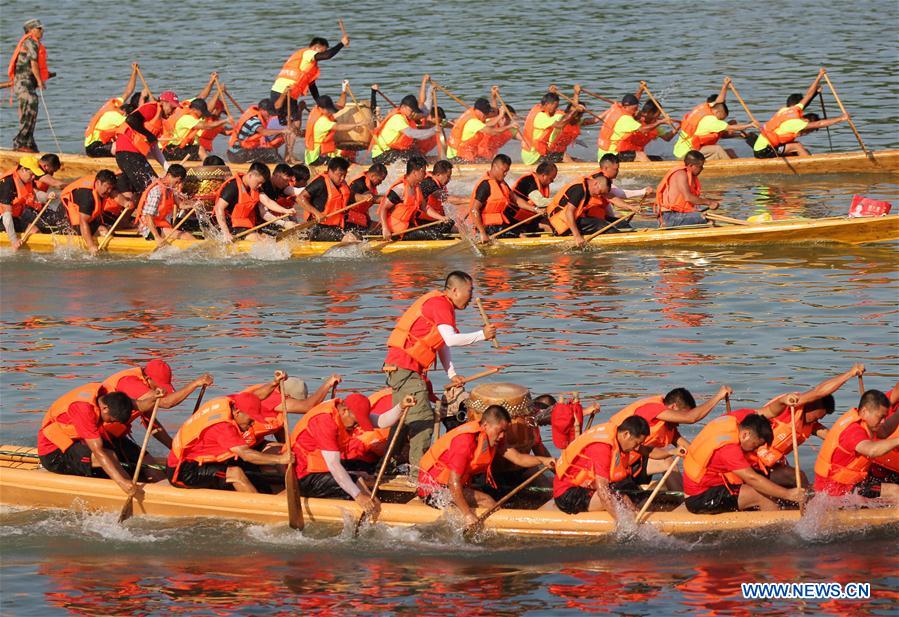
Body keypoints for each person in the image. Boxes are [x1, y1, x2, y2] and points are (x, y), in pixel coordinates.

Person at [383, 271, 498, 476]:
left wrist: (451, 373)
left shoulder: (443, 305)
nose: (471, 296)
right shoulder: (441, 304)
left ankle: (385, 467)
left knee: (404, 418)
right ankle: (420, 476)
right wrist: (482, 335)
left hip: (401, 368)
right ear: (454, 290)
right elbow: (451, 339)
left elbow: (441, 342)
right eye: (469, 291)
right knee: (424, 418)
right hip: (405, 368)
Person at [418, 405, 553, 526]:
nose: (502, 436)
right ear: (485, 425)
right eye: (500, 431)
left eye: (505, 431)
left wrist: (543, 460)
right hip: (433, 490)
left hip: (453, 485)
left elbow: (518, 458)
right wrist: (467, 514)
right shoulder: (464, 442)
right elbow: (453, 482)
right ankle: (500, 530)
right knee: (487, 500)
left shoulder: (492, 438)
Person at [291, 392, 412, 514]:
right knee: (354, 484)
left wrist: (401, 406)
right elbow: (333, 465)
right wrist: (358, 495)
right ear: (345, 411)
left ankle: (360, 484)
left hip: (324, 466)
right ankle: (368, 506)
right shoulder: (325, 421)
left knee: (366, 469)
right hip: (305, 475)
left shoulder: (347, 410)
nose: (356, 426)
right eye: (355, 422)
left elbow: (381, 421)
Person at [751, 364, 866, 487]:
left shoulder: (810, 425)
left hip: (771, 462)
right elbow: (818, 391)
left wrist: (860, 446)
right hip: (753, 461)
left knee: (800, 483)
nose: (819, 419)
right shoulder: (790, 406)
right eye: (817, 417)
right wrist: (849, 374)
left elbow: (833, 438)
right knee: (799, 477)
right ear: (811, 403)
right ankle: (809, 503)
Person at [609, 386, 732, 491]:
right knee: (666, 460)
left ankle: (686, 494)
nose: (680, 420)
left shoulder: (668, 427)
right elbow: (691, 418)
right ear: (673, 407)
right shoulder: (652, 409)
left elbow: (691, 450)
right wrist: (718, 397)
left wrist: (719, 467)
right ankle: (684, 503)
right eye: (681, 414)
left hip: (631, 466)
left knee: (671, 459)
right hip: (612, 465)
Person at [167, 390, 292, 492]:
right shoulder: (223, 428)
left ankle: (272, 490)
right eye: (251, 420)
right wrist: (280, 459)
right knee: (236, 473)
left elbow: (255, 395)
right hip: (182, 471)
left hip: (200, 459)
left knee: (251, 470)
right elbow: (247, 455)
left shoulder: (228, 402)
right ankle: (260, 511)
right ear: (237, 412)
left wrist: (274, 383)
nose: (253, 424)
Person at [683, 412, 804, 514]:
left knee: (791, 475)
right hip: (700, 496)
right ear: (746, 434)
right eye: (755, 445)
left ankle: (808, 506)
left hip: (722, 479)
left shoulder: (735, 420)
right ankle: (780, 536)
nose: (755, 449)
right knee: (762, 495)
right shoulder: (729, 449)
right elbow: (753, 479)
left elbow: (770, 409)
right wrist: (788, 494)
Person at [38, 382, 144, 496]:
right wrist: (123, 482)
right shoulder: (84, 409)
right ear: (105, 408)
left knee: (122, 451)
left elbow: (139, 404)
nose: (110, 422)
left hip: (76, 444)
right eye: (112, 419)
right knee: (110, 455)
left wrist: (155, 397)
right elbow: (98, 451)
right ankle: (128, 483)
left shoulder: (106, 396)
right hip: (53, 454)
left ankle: (133, 478)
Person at [544, 416, 650, 524]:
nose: (637, 448)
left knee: (631, 495)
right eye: (636, 443)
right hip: (567, 495)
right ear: (626, 434)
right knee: (620, 499)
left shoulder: (614, 437)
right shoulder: (602, 447)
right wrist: (626, 525)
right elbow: (603, 491)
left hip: (586, 487)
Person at [100, 359, 214, 453]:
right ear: (148, 379)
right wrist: (195, 384)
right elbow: (166, 403)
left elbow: (152, 425)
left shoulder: (144, 393)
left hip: (114, 437)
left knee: (152, 469)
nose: (159, 390)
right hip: (97, 436)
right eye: (158, 386)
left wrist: (175, 449)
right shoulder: (130, 382)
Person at [813, 390, 899, 503]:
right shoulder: (853, 431)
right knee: (895, 491)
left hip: (847, 482)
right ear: (864, 411)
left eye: (885, 417)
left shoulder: (866, 422)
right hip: (836, 488)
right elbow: (872, 450)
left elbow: (884, 431)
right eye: (881, 417)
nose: (883, 421)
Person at [750, 69, 849, 158]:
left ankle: (802, 161)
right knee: (797, 146)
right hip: (763, 150)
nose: (806, 132)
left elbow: (808, 95)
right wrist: (841, 118)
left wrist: (819, 77)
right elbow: (819, 124)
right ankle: (812, 167)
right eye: (809, 130)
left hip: (763, 145)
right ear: (806, 121)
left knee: (795, 146)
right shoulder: (797, 123)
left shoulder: (790, 109)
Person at [241, 374, 341, 449]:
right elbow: (308, 406)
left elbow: (281, 437)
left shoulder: (279, 410)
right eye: (295, 401)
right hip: (240, 444)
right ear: (287, 397)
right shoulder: (272, 398)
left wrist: (289, 447)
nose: (296, 406)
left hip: (256, 442)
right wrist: (328, 384)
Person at [114, 91, 181, 194]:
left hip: (134, 156)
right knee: (153, 188)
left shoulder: (158, 119)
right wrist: (148, 135)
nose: (172, 112)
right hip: (127, 154)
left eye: (175, 109)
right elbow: (131, 119)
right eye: (172, 108)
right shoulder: (152, 108)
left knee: (154, 184)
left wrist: (167, 167)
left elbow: (154, 147)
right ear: (163, 102)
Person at [213, 162, 294, 242]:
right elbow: (218, 208)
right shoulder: (233, 187)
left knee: (267, 239)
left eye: (261, 183)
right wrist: (226, 233)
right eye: (259, 183)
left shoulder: (255, 188)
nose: (260, 186)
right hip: (231, 224)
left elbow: (268, 202)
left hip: (245, 225)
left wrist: (285, 210)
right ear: (250, 175)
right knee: (257, 239)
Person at [673, 80, 752, 160]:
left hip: (690, 150)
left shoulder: (707, 107)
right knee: (717, 149)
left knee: (730, 152)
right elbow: (731, 128)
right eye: (722, 118)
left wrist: (725, 86)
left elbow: (720, 101)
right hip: (686, 154)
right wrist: (751, 125)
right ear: (718, 112)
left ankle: (738, 166)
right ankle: (733, 169)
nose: (721, 120)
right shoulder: (711, 121)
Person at [379, 155, 453, 241]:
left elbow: (425, 207)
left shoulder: (416, 188)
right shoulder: (400, 189)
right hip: (396, 229)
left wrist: (441, 218)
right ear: (415, 172)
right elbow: (383, 208)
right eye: (423, 171)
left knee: (447, 225)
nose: (425, 174)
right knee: (434, 235)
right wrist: (385, 229)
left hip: (408, 226)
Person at [270, 34, 349, 113]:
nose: (323, 54)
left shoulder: (308, 65)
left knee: (287, 121)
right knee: (290, 121)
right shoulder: (308, 53)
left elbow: (312, 86)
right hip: (284, 92)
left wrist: (319, 103)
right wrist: (341, 43)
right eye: (323, 51)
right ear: (315, 48)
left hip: (282, 92)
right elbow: (327, 55)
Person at [9, 19, 54, 152]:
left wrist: (44, 76)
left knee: (31, 110)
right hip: (23, 84)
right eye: (39, 28)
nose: (42, 31)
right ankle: (20, 142)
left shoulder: (32, 42)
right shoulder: (31, 42)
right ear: (32, 30)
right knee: (29, 109)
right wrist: (40, 81)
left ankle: (29, 143)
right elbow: (33, 64)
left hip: (27, 84)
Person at [468, 154, 530, 242]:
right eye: (503, 171)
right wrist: (482, 233)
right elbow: (474, 209)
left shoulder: (502, 183)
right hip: (487, 227)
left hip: (498, 225)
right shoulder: (485, 185)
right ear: (494, 166)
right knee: (521, 237)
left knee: (522, 233)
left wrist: (535, 209)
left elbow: (516, 200)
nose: (505, 174)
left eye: (507, 171)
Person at [297, 156, 358, 242]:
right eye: (340, 175)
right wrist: (317, 213)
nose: (342, 178)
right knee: (350, 239)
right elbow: (300, 198)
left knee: (357, 235)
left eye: (344, 175)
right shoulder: (320, 182)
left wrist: (365, 197)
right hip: (317, 228)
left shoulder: (341, 184)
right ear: (330, 171)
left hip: (334, 227)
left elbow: (351, 196)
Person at [83, 66, 139, 157]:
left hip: (93, 145)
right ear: (125, 113)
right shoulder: (115, 116)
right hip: (94, 147)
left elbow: (128, 91)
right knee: (128, 145)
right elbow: (134, 126)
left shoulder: (114, 105)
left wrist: (134, 72)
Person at [654, 150, 720, 227]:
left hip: (677, 215)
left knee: (707, 216)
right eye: (700, 166)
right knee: (707, 219)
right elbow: (688, 197)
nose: (702, 168)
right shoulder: (681, 174)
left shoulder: (688, 175)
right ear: (691, 165)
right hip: (669, 217)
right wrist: (709, 203)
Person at [59, 169, 118, 255]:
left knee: (109, 228)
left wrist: (126, 203)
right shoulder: (87, 197)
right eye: (107, 187)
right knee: (103, 231)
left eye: (111, 188)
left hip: (84, 217)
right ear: (98, 183)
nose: (109, 191)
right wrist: (91, 246)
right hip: (68, 221)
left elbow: (116, 195)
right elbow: (83, 222)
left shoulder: (100, 189)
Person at [545, 172, 613, 246]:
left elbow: (612, 198)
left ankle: (617, 232)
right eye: (600, 192)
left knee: (603, 220)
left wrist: (627, 206)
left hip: (569, 220)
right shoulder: (579, 189)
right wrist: (577, 236)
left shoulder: (588, 187)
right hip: (561, 224)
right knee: (599, 224)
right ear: (595, 183)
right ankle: (618, 236)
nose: (599, 195)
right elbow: (569, 212)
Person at [133, 164, 194, 245]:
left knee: (187, 235)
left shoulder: (169, 189)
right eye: (177, 181)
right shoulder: (157, 191)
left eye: (179, 182)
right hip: (149, 229)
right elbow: (148, 216)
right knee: (187, 236)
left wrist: (194, 205)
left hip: (161, 226)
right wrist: (157, 237)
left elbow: (181, 205)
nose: (177, 185)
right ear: (169, 175)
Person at [0, 156, 51, 250]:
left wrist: (48, 196)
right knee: (33, 230)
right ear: (23, 169)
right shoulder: (8, 183)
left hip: (14, 217)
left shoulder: (27, 179)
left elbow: (37, 194)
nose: (33, 177)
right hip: (3, 218)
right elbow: (6, 215)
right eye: (31, 174)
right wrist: (14, 240)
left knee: (35, 230)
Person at [596, 93, 665, 162]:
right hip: (611, 155)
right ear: (627, 107)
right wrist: (660, 122)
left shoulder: (617, 110)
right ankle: (651, 171)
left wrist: (640, 90)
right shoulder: (626, 119)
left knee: (657, 159)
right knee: (640, 155)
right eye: (635, 109)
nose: (637, 111)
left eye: (637, 108)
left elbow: (633, 101)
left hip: (604, 153)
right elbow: (643, 130)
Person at [370, 95, 436, 165]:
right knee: (413, 157)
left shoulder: (407, 117)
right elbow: (411, 133)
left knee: (416, 153)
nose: (413, 113)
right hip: (381, 155)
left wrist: (430, 92)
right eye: (411, 110)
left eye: (414, 111)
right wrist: (432, 131)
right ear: (403, 107)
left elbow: (425, 112)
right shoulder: (397, 118)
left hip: (392, 151)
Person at [446, 94, 513, 163]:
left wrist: (494, 97)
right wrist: (509, 126)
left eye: (487, 112)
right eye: (484, 112)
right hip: (456, 156)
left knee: (486, 161)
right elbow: (492, 131)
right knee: (485, 163)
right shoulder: (473, 122)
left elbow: (495, 113)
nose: (486, 115)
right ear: (479, 110)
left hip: (460, 152)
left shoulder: (473, 112)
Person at [520, 92, 581, 165]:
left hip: (536, 154)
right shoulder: (541, 117)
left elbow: (565, 117)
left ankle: (576, 166)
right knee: (563, 156)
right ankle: (575, 171)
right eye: (555, 107)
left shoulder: (541, 110)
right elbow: (560, 125)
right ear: (547, 105)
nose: (556, 110)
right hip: (533, 157)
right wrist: (575, 110)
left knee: (576, 159)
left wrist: (576, 95)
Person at [162, 98, 226, 162]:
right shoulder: (187, 119)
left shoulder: (193, 116)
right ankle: (209, 168)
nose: (203, 115)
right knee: (199, 149)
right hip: (170, 151)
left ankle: (205, 165)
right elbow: (206, 126)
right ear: (195, 110)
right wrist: (226, 120)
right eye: (202, 112)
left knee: (197, 149)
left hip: (177, 148)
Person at [227, 99, 285, 164]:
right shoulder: (253, 120)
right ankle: (283, 169)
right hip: (237, 155)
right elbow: (264, 132)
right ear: (261, 110)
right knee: (271, 153)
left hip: (245, 151)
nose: (270, 115)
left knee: (275, 144)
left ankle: (279, 164)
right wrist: (283, 131)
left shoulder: (258, 116)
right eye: (269, 112)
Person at [508, 161, 557, 233]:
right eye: (551, 179)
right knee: (547, 226)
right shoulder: (530, 181)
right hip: (514, 220)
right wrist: (558, 199)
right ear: (543, 176)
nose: (552, 181)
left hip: (527, 217)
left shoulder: (539, 183)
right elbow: (540, 202)